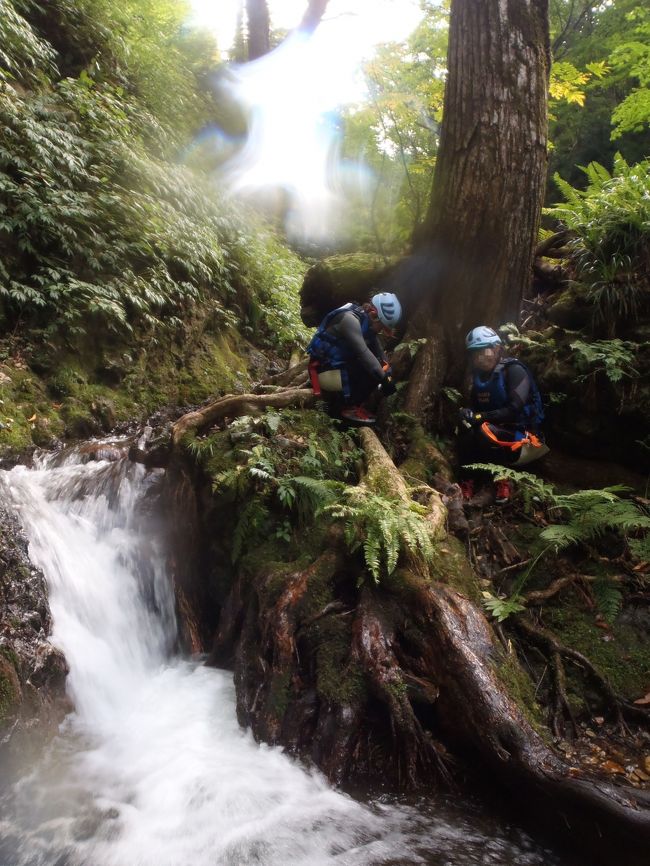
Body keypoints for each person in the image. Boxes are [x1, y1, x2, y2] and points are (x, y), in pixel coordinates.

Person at [458, 325, 548, 504]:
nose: (482, 359)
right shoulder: (479, 379)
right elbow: (475, 409)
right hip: (494, 435)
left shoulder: (514, 371)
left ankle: (502, 480)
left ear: (497, 349)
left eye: (486, 352)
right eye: (476, 355)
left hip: (524, 440)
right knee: (466, 428)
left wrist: (482, 417)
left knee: (485, 430)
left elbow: (514, 410)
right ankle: (466, 482)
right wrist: (467, 413)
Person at [306, 292, 402, 425]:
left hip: (333, 368)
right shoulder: (349, 319)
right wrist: (384, 379)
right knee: (371, 370)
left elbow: (379, 354)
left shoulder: (365, 321)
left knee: (377, 368)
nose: (380, 331)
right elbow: (364, 354)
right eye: (381, 327)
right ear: (374, 316)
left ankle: (347, 405)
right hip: (320, 373)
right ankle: (344, 409)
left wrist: (388, 372)